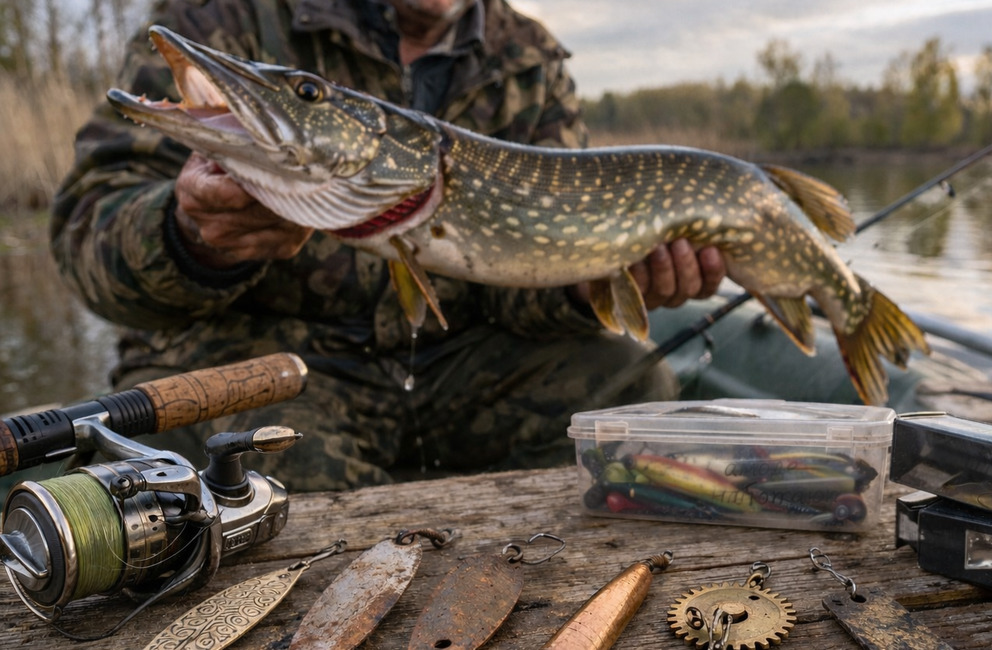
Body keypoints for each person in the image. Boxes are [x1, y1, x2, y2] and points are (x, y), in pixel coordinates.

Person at [51, 0, 726, 491]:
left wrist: (582, 284)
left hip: (453, 366)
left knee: (630, 386)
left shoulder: (528, 57)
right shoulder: (226, 17)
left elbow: (517, 295)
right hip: (266, 361)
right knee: (288, 466)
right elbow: (85, 233)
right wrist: (190, 236)